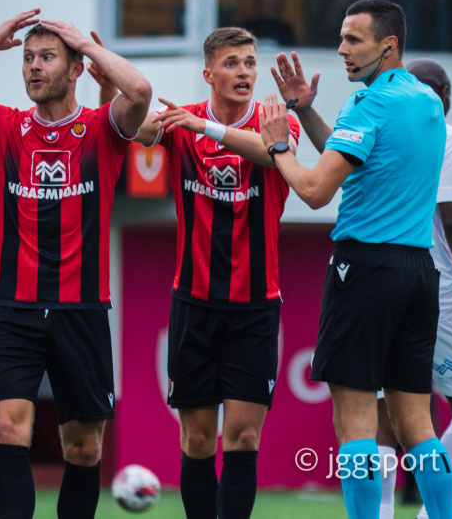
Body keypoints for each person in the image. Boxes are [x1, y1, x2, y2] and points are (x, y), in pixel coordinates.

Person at [0, 10, 152, 519]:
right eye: (27, 59)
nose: (33, 68)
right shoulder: (5, 125)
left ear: (74, 70)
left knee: (84, 448)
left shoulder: (100, 128)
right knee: (7, 430)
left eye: (47, 57)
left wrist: (87, 47)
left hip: (82, 307)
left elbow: (139, 90)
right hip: (10, 307)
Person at [253, 0, 452, 518]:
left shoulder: (370, 104)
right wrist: (304, 108)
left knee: (355, 427)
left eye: (353, 39)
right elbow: (354, 158)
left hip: (364, 270)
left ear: (388, 45)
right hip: (418, 273)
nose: (341, 49)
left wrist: (279, 147)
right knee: (418, 428)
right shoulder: (425, 100)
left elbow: (317, 191)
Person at [96, 26, 300, 519]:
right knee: (198, 440)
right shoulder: (181, 121)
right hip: (194, 302)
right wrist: (107, 85)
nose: (244, 72)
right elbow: (126, 128)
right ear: (209, 73)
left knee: (245, 437)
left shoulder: (275, 121)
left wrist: (201, 128)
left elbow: (268, 154)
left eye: (250, 63)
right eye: (232, 63)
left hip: (255, 305)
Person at [376, 59, 452, 519]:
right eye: (437, 91)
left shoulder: (376, 133)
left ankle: (377, 514)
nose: (441, 100)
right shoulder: (447, 135)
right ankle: (431, 516)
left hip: (371, 283)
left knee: (380, 416)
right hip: (431, 286)